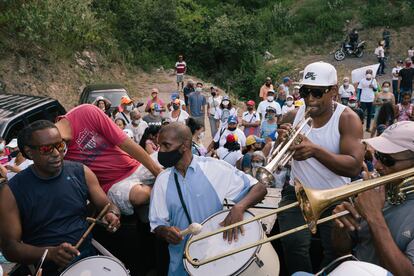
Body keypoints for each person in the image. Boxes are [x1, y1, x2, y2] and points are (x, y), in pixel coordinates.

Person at [0, 120, 121, 275]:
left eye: (60, 145)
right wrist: (49, 253)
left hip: (88, 259)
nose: (57, 153)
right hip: (46, 267)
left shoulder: (81, 172)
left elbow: (108, 206)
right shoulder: (11, 191)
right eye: (47, 149)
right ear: (29, 152)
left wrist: (113, 215)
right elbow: (10, 248)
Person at [277, 61, 364, 274]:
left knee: (336, 252)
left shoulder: (347, 119)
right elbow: (281, 156)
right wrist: (282, 142)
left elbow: (353, 167)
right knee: (293, 244)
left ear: (333, 91)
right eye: (305, 92)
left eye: (317, 92)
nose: (309, 99)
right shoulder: (294, 115)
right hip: (296, 192)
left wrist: (315, 151)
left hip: (334, 195)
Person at [149, 123, 267, 275]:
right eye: (160, 146)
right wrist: (165, 232)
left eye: (166, 145)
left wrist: (239, 207)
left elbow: (259, 189)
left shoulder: (214, 168)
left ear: (185, 145)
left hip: (215, 262)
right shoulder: (162, 180)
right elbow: (157, 225)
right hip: (179, 267)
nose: (161, 151)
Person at [331, 121, 414, 276]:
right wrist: (340, 228)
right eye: (378, 156)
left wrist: (375, 217)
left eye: (388, 160)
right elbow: (342, 251)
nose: (377, 166)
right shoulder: (378, 191)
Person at [55, 104, 162, 216]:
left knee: (170, 162)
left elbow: (125, 143)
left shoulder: (86, 113)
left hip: (134, 166)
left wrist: (158, 172)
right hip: (113, 185)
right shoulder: (53, 154)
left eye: (59, 147)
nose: (56, 154)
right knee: (140, 195)